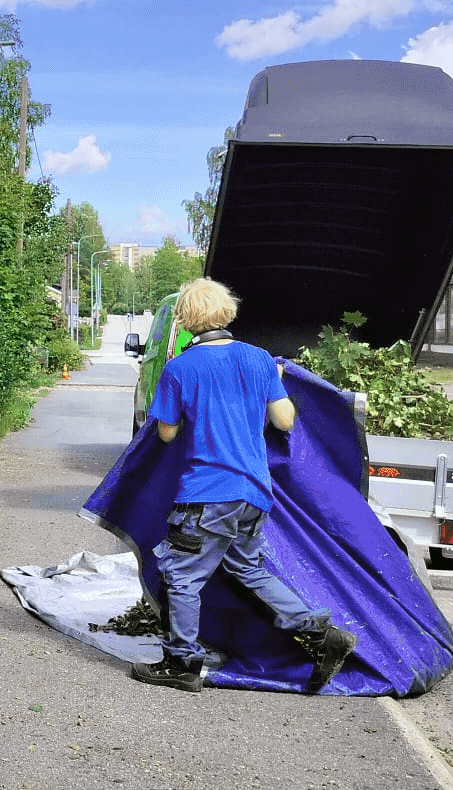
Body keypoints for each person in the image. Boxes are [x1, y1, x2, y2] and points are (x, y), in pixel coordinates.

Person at [130, 278, 358, 694]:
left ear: (185, 319)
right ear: (226, 311)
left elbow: (164, 433)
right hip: (254, 493)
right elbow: (285, 421)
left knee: (181, 576)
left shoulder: (180, 367)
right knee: (248, 570)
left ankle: (181, 663)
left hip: (205, 493)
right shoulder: (259, 360)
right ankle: (324, 637)